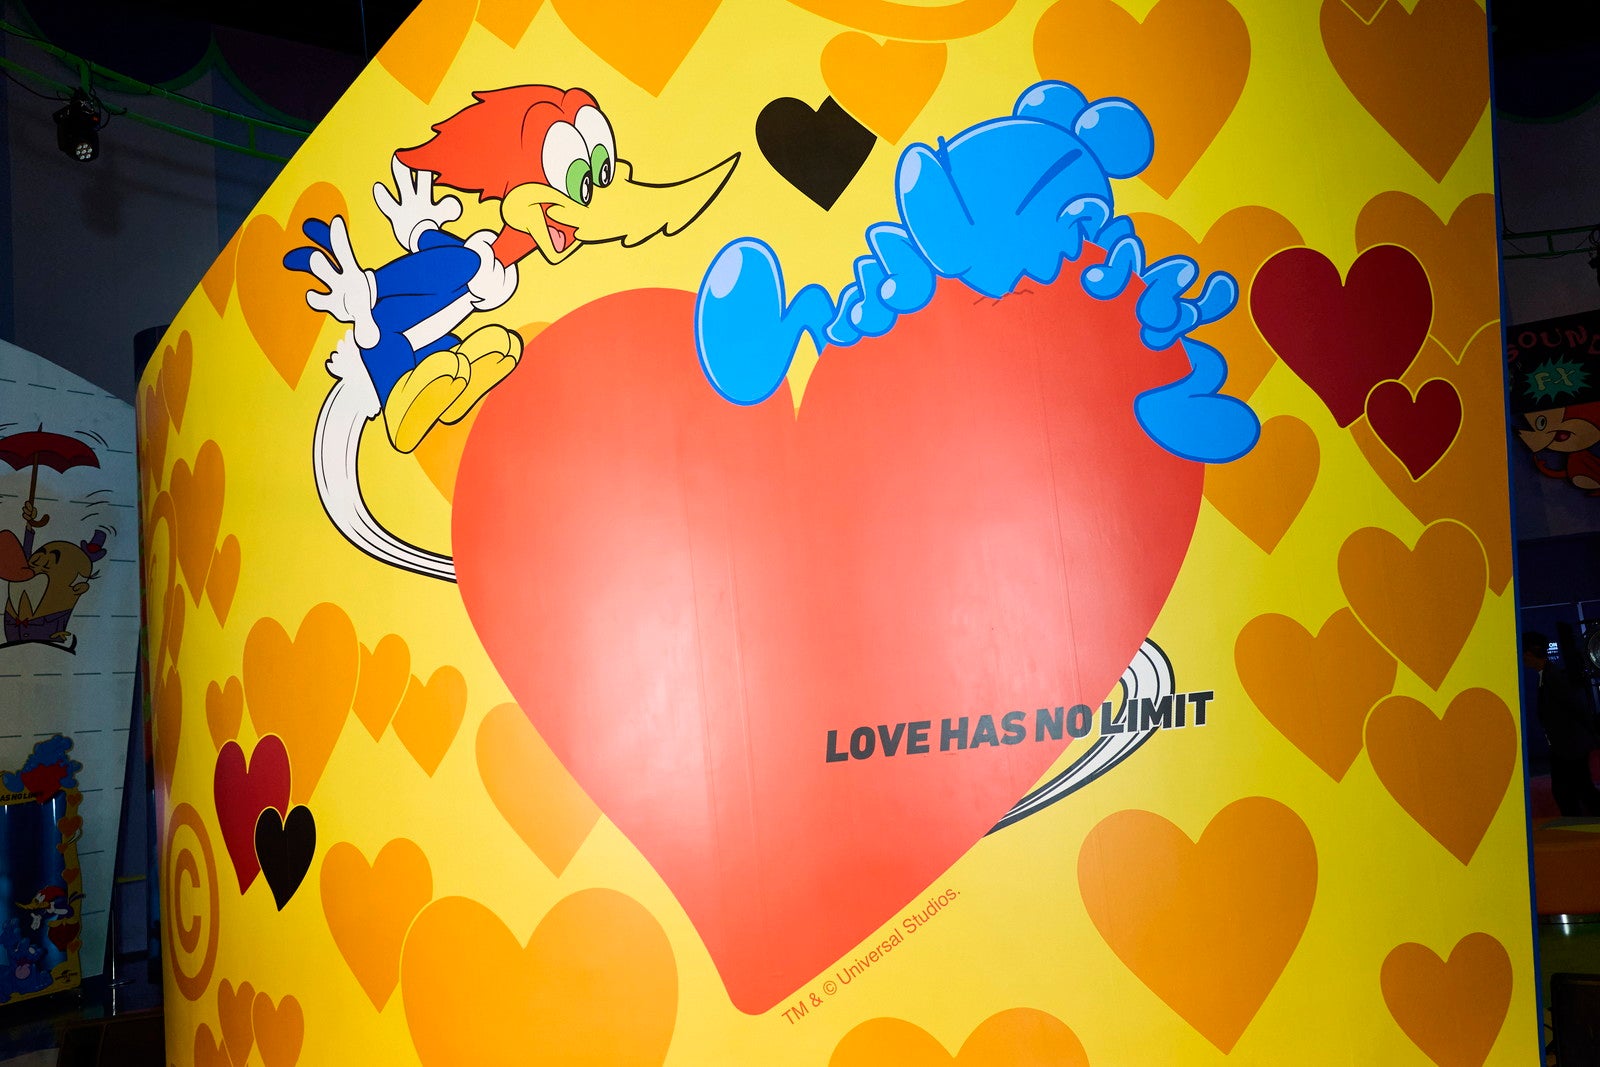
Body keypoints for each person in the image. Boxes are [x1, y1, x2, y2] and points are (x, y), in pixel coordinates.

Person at [1525, 630, 1600, 817]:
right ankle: (1576, 821)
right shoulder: (1547, 675)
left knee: (1573, 790)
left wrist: (1589, 736)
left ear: (1530, 654)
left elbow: (1576, 707)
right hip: (1565, 746)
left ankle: (1577, 822)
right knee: (1574, 790)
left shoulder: (1553, 677)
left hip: (1570, 747)